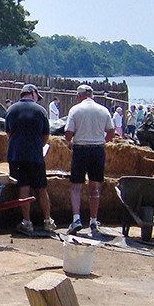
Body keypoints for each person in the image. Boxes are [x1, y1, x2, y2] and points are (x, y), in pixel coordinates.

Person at [65, 84, 115, 235]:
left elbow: (68, 133)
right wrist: (102, 141)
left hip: (80, 149)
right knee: (95, 187)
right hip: (98, 150)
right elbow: (111, 131)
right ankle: (93, 221)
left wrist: (70, 142)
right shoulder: (103, 110)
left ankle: (76, 219)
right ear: (92, 95)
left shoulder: (75, 110)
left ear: (79, 96)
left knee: (76, 186)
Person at [5, 84, 54, 233]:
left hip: (16, 156)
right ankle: (47, 221)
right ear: (32, 94)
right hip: (35, 156)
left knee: (23, 187)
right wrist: (38, 146)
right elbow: (46, 135)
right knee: (41, 188)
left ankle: (26, 222)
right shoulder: (41, 111)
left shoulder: (11, 110)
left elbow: (8, 133)